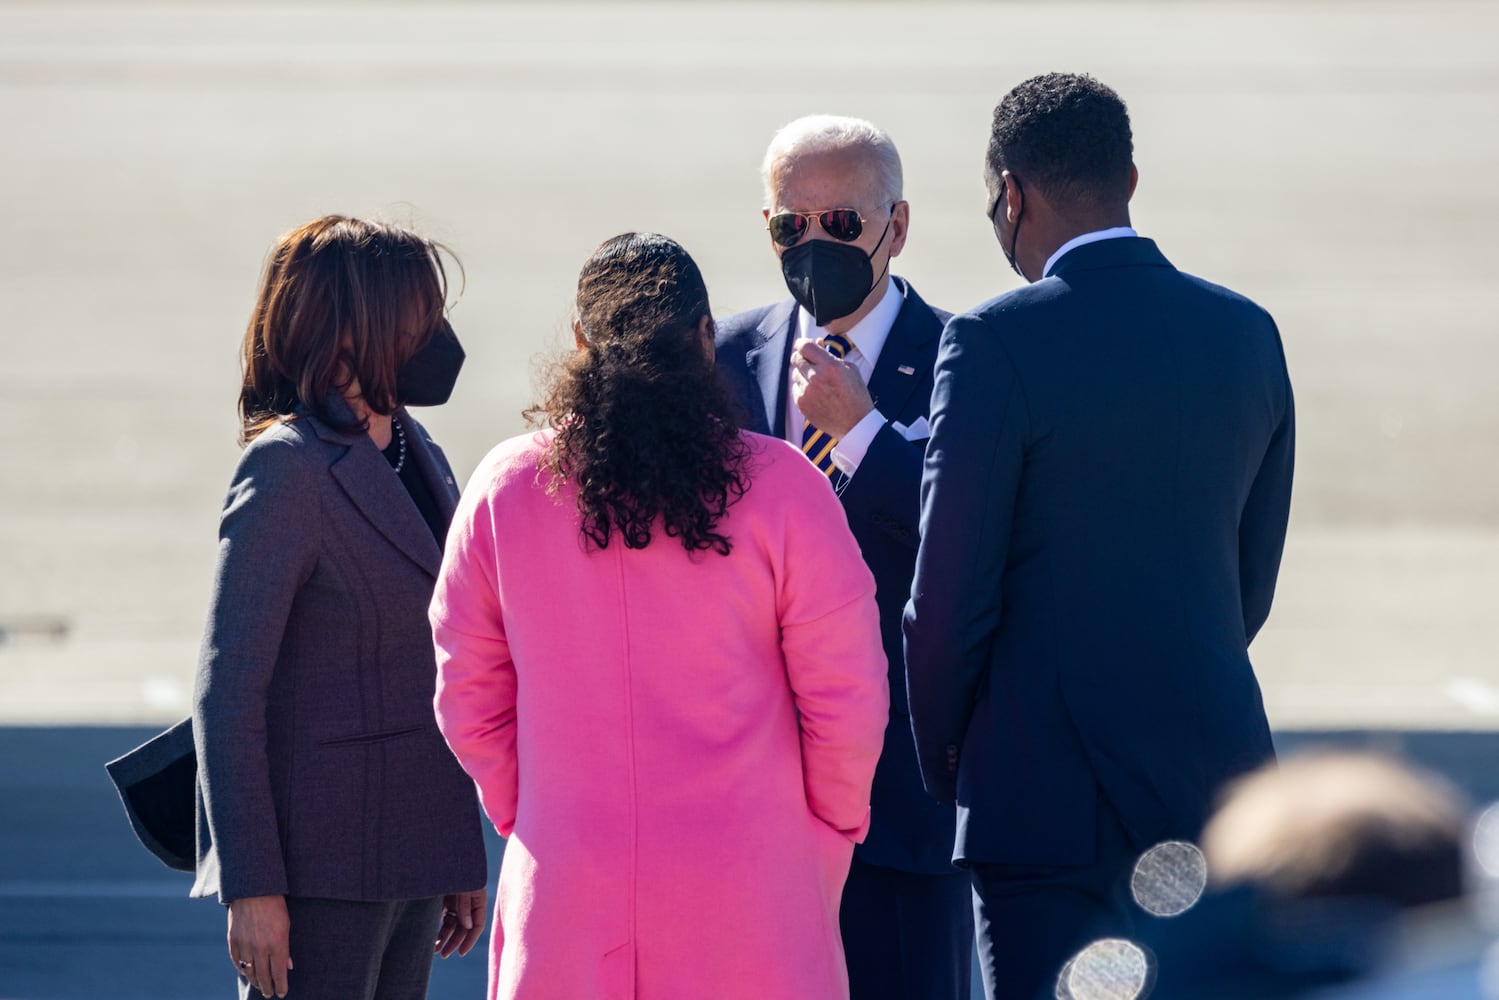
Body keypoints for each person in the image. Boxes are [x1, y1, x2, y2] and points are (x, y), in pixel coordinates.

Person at [902, 73, 1295, 1000]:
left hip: (1038, 807)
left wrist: (955, 762)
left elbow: (947, 598)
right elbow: (1250, 581)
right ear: (1128, 175)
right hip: (1212, 792)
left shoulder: (994, 341)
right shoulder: (1245, 332)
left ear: (1009, 193)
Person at [430, 232, 889, 1000]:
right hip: (753, 890)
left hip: (570, 892)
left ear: (581, 343)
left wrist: (540, 814)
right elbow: (848, 700)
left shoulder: (505, 487)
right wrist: (825, 835)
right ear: (706, 341)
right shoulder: (785, 487)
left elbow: (466, 696)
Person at [191, 215, 488, 999]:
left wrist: (459, 853)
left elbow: (447, 663)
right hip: (320, 871)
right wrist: (249, 886)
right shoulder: (286, 470)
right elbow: (229, 693)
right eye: (422, 316)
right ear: (356, 333)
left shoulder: (420, 453)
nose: (439, 336)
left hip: (416, 857)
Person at [714, 115, 973, 1000]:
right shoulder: (719, 359)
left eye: (842, 223)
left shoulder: (963, 360)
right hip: (746, 794)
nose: (814, 243)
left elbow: (971, 538)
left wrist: (860, 432)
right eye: (794, 225)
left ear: (895, 228)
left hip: (898, 795)